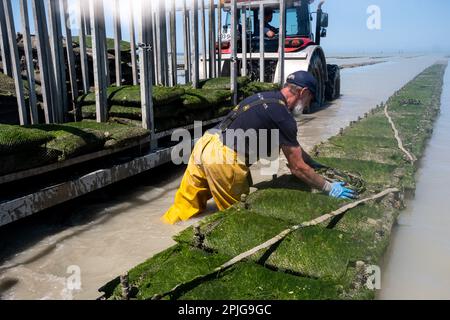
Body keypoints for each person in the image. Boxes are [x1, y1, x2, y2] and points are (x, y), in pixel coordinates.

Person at [162, 71, 356, 224]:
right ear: (303, 92)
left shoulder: (264, 97)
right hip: (224, 159)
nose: (307, 105)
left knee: (184, 209)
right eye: (310, 99)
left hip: (205, 145)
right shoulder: (284, 118)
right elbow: (297, 168)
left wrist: (311, 161)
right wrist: (328, 187)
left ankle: (163, 235)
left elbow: (292, 148)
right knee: (237, 218)